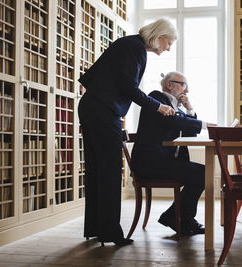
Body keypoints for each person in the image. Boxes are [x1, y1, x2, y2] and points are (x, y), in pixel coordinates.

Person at [78, 18, 177, 246]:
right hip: (103, 110)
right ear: (159, 35)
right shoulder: (135, 48)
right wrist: (157, 105)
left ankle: (96, 228)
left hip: (94, 107)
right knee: (110, 170)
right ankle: (111, 232)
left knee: (97, 169)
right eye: (168, 42)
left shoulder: (129, 45)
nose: (168, 47)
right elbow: (128, 87)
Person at [131, 71, 214, 235]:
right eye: (184, 85)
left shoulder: (177, 108)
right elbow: (173, 120)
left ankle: (179, 218)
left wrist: (189, 108)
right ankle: (178, 218)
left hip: (165, 161)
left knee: (203, 173)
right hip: (151, 162)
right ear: (170, 85)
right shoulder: (156, 98)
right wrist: (205, 124)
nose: (187, 91)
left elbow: (190, 133)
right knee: (203, 173)